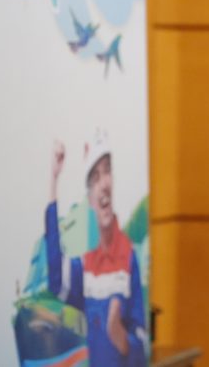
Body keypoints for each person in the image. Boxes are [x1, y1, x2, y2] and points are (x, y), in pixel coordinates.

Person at [46, 133, 147, 366]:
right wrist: (53, 180)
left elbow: (142, 346)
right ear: (90, 200)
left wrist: (121, 338)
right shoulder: (86, 267)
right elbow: (56, 280)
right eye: (95, 177)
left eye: (107, 171)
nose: (103, 184)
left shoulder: (129, 257)